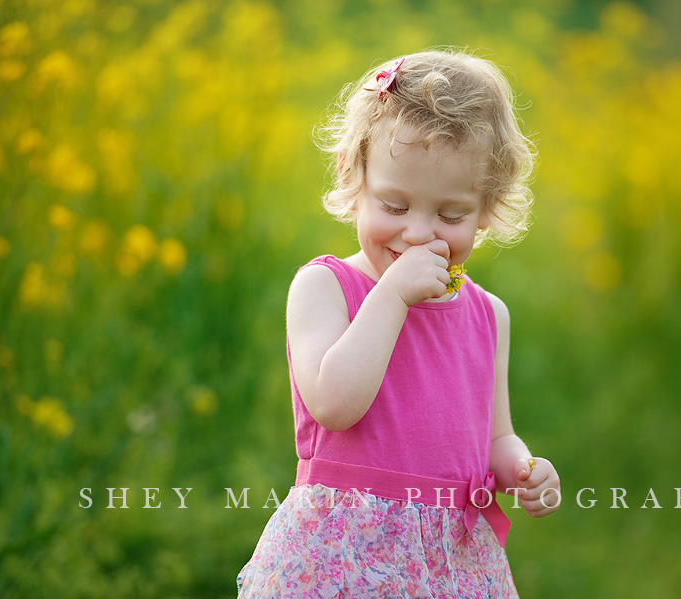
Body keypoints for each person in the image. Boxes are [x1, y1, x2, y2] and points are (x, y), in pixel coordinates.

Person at [237, 48, 561, 598]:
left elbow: (495, 437)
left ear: (487, 209)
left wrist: (522, 467)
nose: (417, 233)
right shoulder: (325, 287)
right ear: (352, 174)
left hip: (450, 563)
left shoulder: (488, 314)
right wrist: (390, 296)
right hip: (342, 555)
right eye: (394, 205)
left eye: (450, 215)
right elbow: (335, 405)